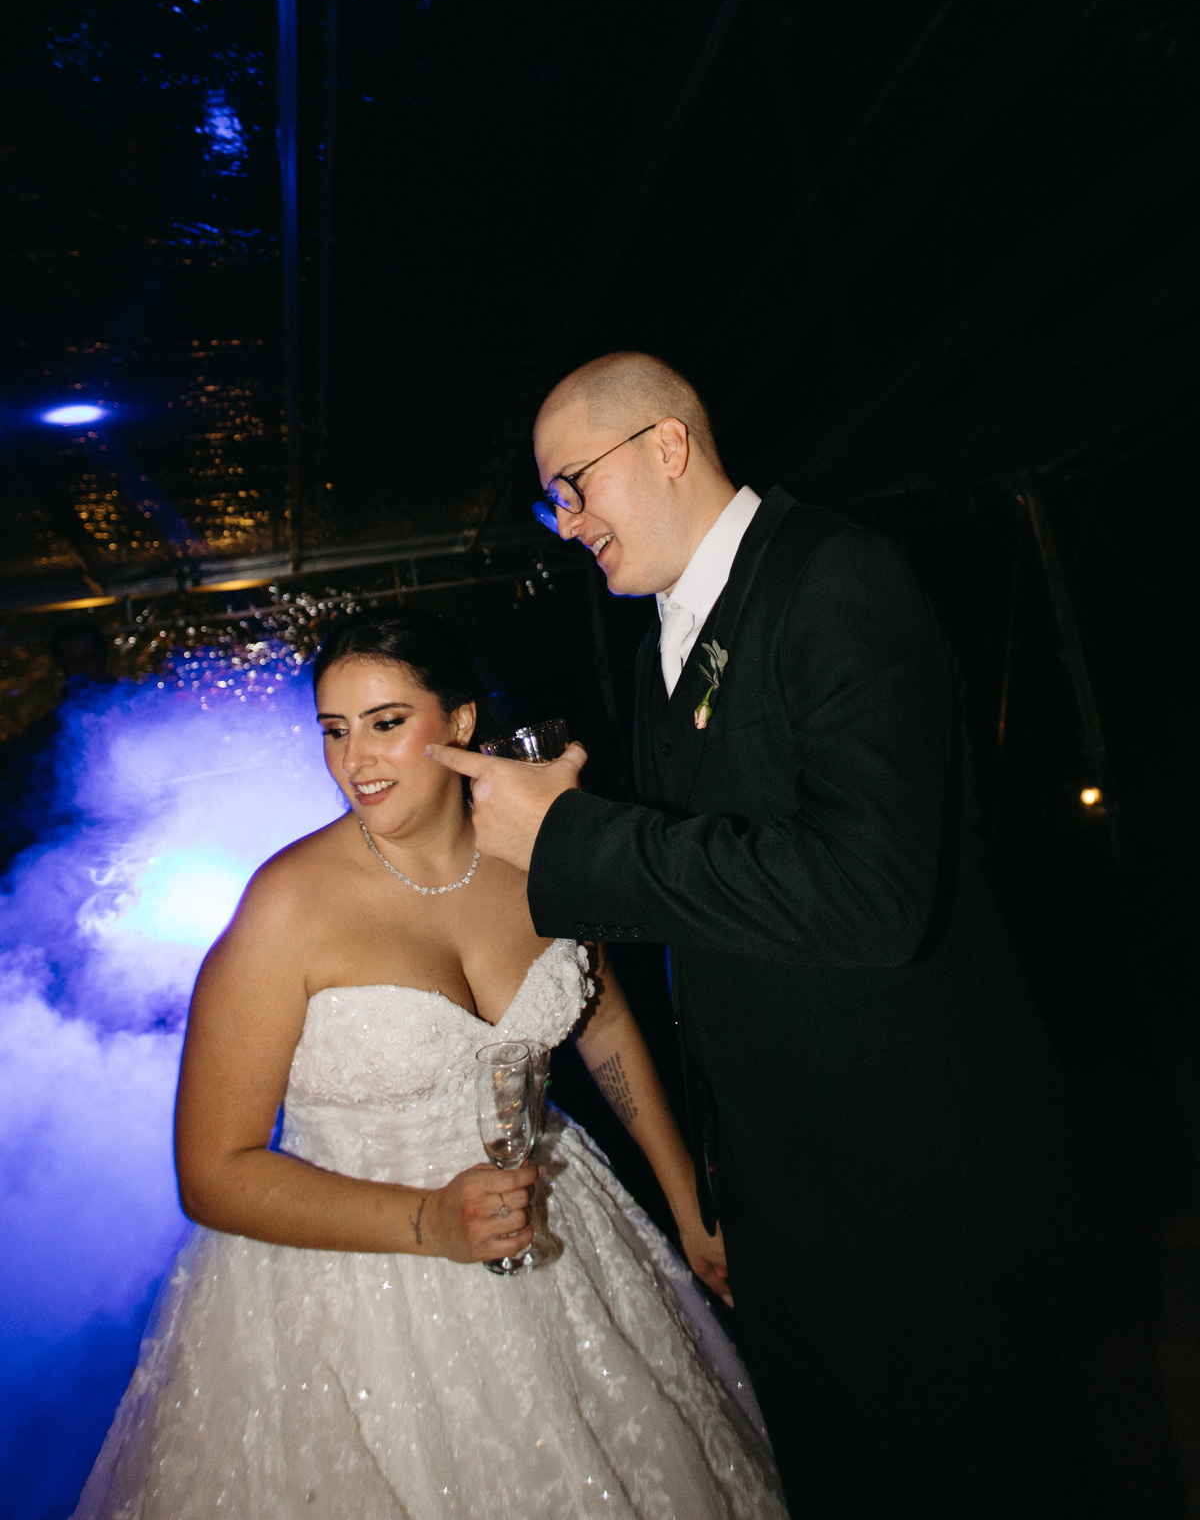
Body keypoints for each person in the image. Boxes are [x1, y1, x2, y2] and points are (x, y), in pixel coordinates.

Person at [427, 353, 1102, 1520]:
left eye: (574, 484)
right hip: (795, 1210)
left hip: (923, 1202)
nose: (566, 521)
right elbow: (725, 898)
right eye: (553, 501)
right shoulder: (661, 636)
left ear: (668, 445)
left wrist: (577, 838)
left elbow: (870, 893)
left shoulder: (834, 576)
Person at [74, 608, 786, 1520]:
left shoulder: (537, 856)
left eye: (384, 723)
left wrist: (687, 1198)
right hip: (354, 1290)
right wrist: (428, 1221)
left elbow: (601, 1015)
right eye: (334, 730)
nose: (355, 760)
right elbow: (212, 1173)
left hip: (559, 1232)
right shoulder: (287, 907)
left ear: (459, 720)